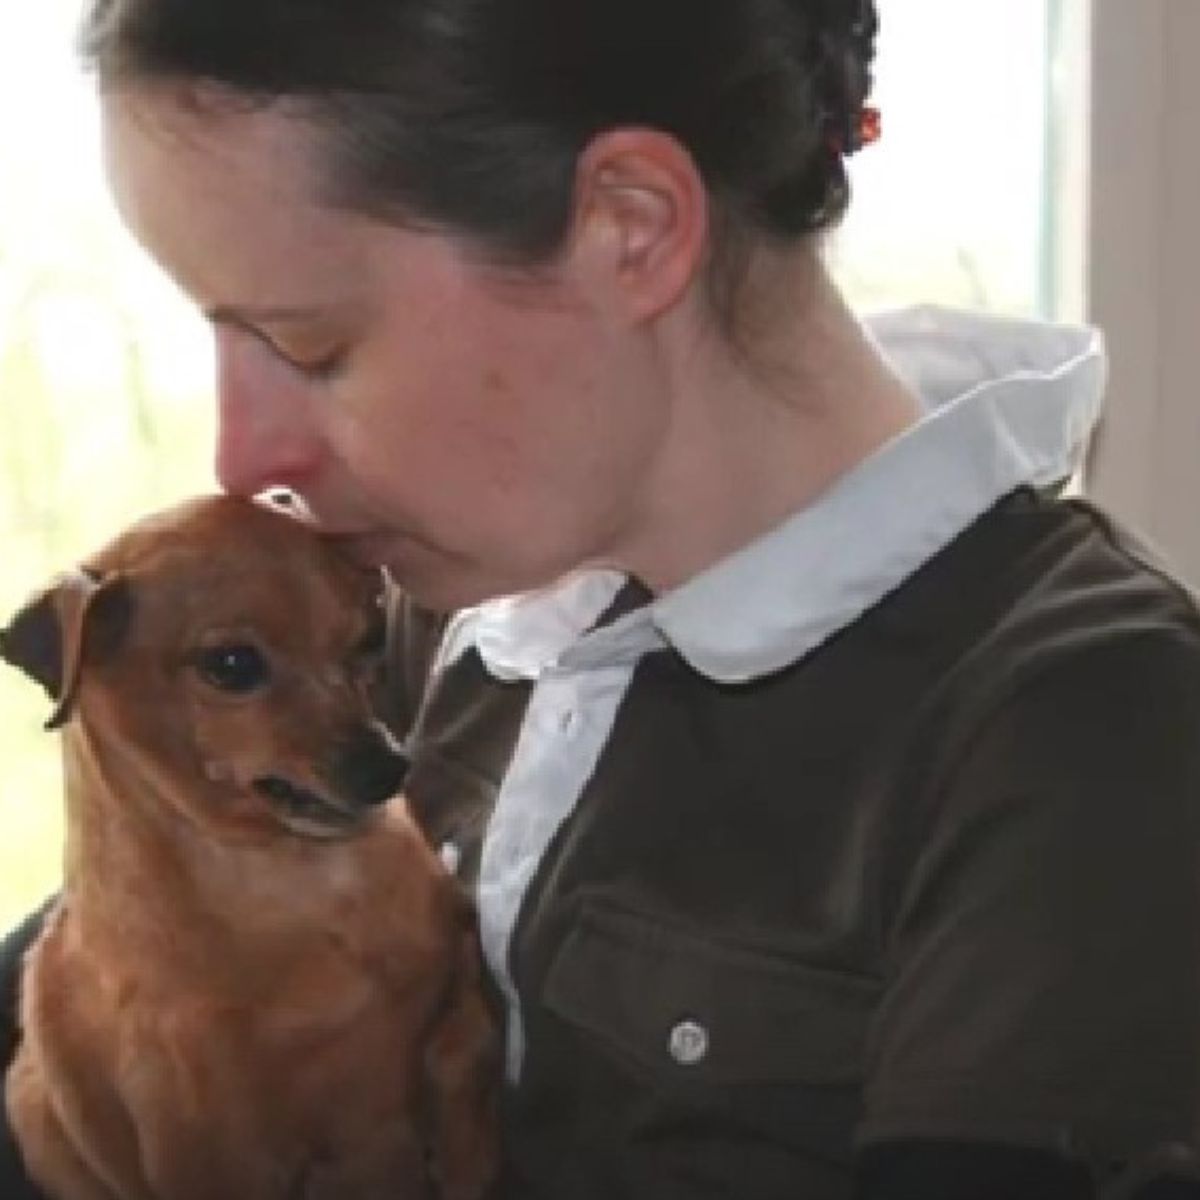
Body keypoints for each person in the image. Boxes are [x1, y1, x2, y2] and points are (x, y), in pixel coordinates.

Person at [2, 0, 1199, 1196]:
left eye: (310, 348)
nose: (243, 456)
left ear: (631, 228)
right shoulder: (417, 622)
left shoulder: (1083, 730)